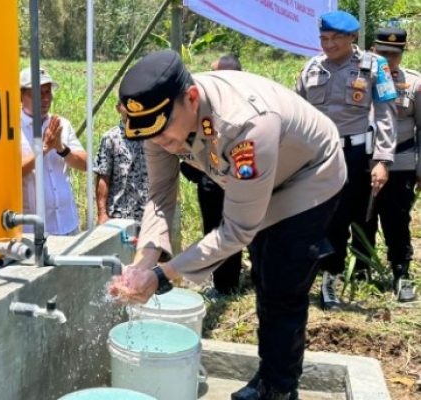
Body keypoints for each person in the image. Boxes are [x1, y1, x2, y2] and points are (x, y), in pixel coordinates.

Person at [109, 50, 345, 400]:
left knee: (282, 282)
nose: (161, 143)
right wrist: (143, 261)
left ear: (191, 98)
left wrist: (162, 275)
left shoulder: (246, 126)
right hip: (255, 182)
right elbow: (160, 195)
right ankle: (269, 377)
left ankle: (279, 388)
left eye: (164, 134)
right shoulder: (158, 121)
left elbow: (237, 230)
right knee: (264, 273)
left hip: (307, 177)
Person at [296, 11, 397, 310]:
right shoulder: (312, 67)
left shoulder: (374, 66)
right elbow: (296, 113)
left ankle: (332, 279)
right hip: (317, 155)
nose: (328, 45)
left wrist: (382, 160)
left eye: (335, 39)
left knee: (342, 218)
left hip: (353, 154)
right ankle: (314, 275)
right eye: (324, 39)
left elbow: (386, 114)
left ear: (352, 37)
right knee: (314, 217)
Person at [362, 27, 419, 302]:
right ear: (373, 50)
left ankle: (401, 271)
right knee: (361, 219)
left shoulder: (414, 84)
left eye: (393, 55)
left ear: (402, 54)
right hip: (362, 162)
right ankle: (362, 269)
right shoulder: (357, 80)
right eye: (383, 53)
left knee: (397, 220)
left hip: (401, 163)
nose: (388, 59)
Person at [180, 53, 244, 295]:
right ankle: (226, 284)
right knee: (218, 229)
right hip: (214, 176)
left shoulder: (238, 102)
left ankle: (228, 284)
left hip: (233, 176)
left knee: (228, 229)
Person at [20, 67, 87, 235]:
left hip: (67, 223)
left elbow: (86, 164)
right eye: (37, 94)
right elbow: (13, 173)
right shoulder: (12, 129)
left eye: (47, 92)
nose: (44, 99)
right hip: (34, 231)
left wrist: (61, 149)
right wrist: (43, 149)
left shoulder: (61, 124)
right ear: (20, 95)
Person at [94, 100, 148, 225]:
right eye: (126, 104)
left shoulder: (152, 137)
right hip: (118, 216)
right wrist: (102, 213)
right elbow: (103, 177)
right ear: (118, 108)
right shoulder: (110, 138)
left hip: (148, 216)